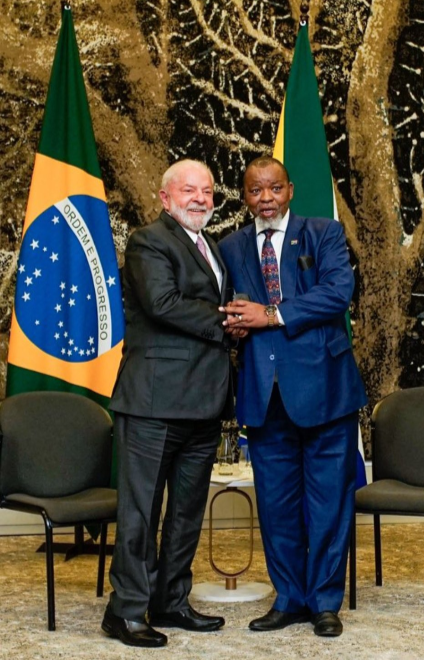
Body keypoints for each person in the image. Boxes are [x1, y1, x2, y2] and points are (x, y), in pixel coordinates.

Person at [218, 156, 367, 637]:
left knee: (328, 506)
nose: (266, 199)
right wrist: (234, 326)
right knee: (277, 506)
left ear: (290, 189)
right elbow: (226, 309)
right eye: (256, 191)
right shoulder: (230, 247)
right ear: (245, 197)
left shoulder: (323, 233)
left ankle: (325, 602)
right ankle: (289, 599)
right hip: (264, 396)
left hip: (325, 391)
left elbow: (337, 293)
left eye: (274, 189)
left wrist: (272, 315)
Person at [102, 159, 240, 648]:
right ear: (165, 197)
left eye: (207, 190)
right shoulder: (149, 241)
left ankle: (171, 601)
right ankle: (126, 611)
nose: (200, 198)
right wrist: (227, 320)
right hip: (153, 403)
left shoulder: (213, 249)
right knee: (140, 512)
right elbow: (162, 304)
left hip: (203, 404)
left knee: (185, 512)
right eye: (189, 190)